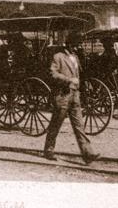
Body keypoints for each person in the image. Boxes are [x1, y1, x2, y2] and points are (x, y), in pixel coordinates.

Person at [43, 31, 99, 164]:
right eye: (75, 45)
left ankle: (87, 153)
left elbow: (79, 75)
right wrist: (68, 80)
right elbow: (52, 74)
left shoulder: (75, 57)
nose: (76, 47)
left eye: (78, 45)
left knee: (79, 126)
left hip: (75, 95)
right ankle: (49, 150)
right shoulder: (58, 57)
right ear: (68, 44)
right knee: (56, 124)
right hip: (62, 95)